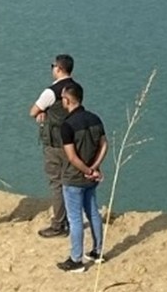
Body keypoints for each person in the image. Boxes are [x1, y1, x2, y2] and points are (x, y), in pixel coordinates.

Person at [55, 81, 108, 273]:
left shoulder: (67, 125)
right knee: (93, 211)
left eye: (62, 99)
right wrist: (94, 167)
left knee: (75, 218)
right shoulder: (95, 119)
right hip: (90, 177)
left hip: (73, 178)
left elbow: (71, 156)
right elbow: (104, 145)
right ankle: (98, 251)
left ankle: (76, 259)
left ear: (68, 100)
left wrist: (86, 169)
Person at [29, 54, 78, 238]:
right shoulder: (77, 88)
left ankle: (58, 224)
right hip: (73, 141)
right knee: (71, 181)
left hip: (55, 143)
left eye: (52, 66)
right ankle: (72, 219)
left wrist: (42, 113)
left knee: (56, 183)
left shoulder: (51, 92)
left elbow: (33, 110)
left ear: (58, 68)